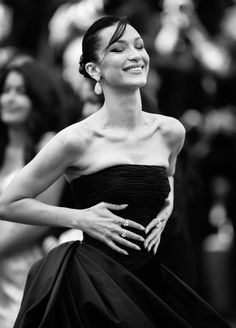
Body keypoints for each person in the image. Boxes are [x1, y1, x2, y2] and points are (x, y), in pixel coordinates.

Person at [0, 15, 230, 328]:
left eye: (139, 46)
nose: (136, 54)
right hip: (94, 289)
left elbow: (168, 177)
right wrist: (80, 217)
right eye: (119, 49)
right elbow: (7, 203)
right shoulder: (75, 139)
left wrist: (167, 206)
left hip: (152, 281)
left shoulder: (170, 131)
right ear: (94, 70)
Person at [0, 58, 66, 328]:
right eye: (5, 90)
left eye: (20, 92)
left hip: (26, 264)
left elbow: (41, 218)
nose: (9, 99)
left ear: (38, 99)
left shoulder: (48, 144)